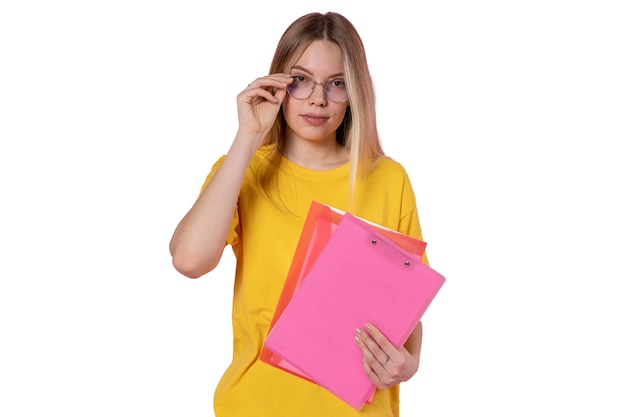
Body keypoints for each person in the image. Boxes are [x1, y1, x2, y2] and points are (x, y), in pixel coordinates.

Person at [169, 11, 430, 417]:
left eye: (337, 84)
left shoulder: (387, 179)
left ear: (355, 92)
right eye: (301, 80)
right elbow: (189, 260)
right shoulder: (246, 170)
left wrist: (407, 365)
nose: (318, 98)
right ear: (278, 84)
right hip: (259, 405)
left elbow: (406, 308)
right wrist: (249, 137)